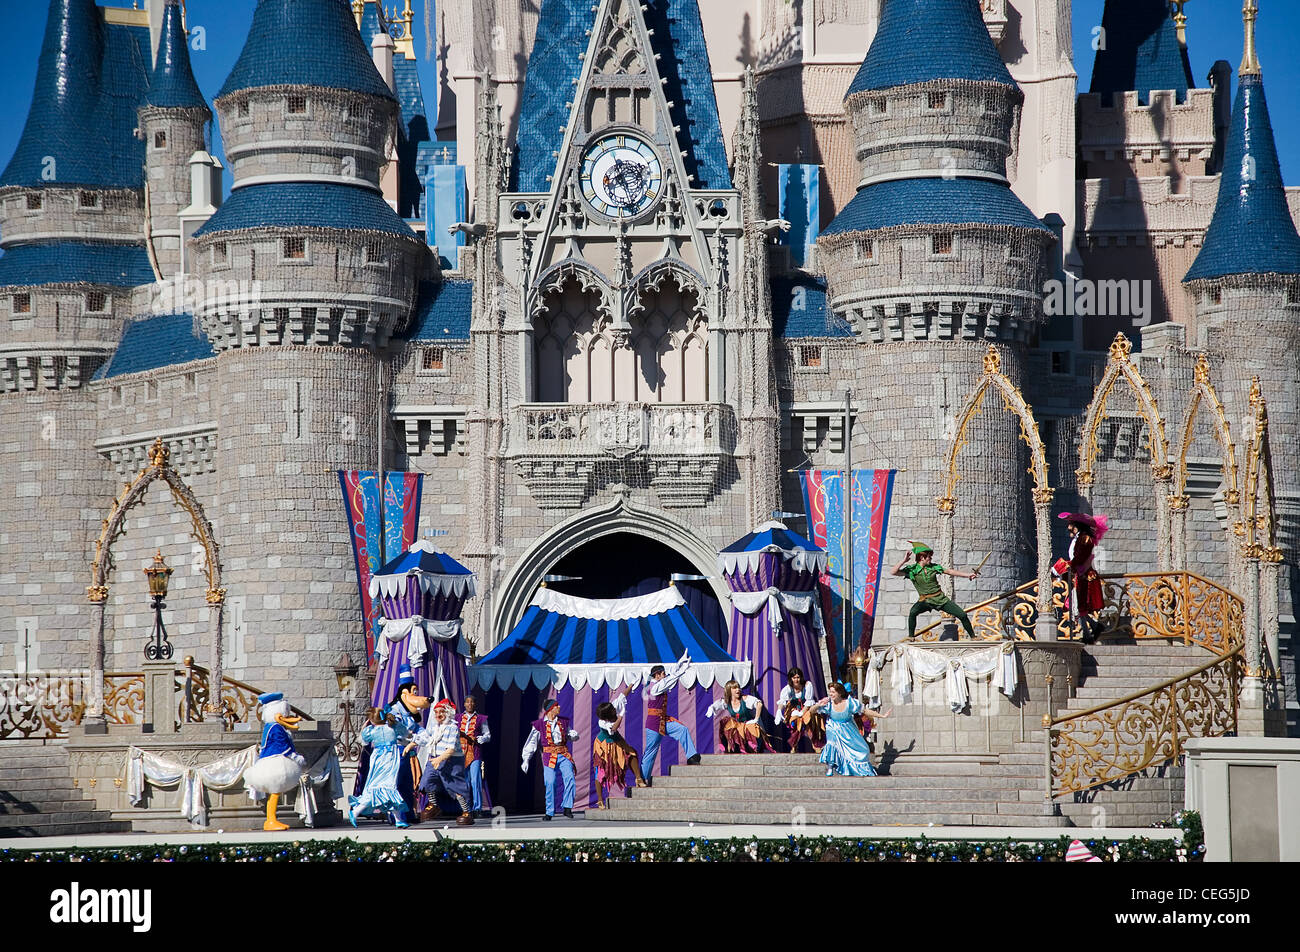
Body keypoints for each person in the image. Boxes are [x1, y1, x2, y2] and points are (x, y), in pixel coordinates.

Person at [619, 652, 701, 782]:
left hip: (663, 720)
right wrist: (681, 671)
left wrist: (679, 663)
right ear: (657, 675)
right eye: (662, 674)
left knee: (682, 729)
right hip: (654, 724)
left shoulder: (655, 683)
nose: (665, 675)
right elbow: (669, 680)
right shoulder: (655, 687)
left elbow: (669, 676)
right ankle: (642, 779)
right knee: (651, 752)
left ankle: (692, 756)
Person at [243, 692, 307, 832]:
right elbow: (281, 746)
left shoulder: (272, 726)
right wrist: (296, 758)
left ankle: (271, 820)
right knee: (275, 791)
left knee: (275, 793)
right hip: (274, 762)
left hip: (270, 761)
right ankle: (270, 820)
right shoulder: (276, 728)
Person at [894, 542, 980, 639]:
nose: (930, 559)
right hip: (925, 600)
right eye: (929, 557)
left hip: (940, 599)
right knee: (913, 612)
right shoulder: (912, 570)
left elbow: (949, 571)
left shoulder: (933, 567)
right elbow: (894, 572)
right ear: (922, 558)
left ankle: (973, 636)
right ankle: (911, 636)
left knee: (962, 614)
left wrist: (968, 575)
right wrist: (903, 561)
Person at [348, 709, 411, 828]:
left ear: (371, 719)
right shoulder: (393, 727)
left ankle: (398, 819)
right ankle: (356, 811)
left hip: (379, 759)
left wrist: (364, 726)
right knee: (387, 786)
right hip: (390, 759)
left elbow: (363, 742)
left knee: (383, 787)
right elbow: (406, 733)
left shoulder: (370, 730)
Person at [416, 698, 475, 826]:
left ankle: (467, 812)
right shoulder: (434, 726)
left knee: (454, 785)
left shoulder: (452, 727)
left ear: (448, 713)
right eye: (436, 712)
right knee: (427, 780)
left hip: (451, 760)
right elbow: (425, 738)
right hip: (435, 757)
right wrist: (411, 742)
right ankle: (434, 805)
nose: (438, 715)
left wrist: (439, 759)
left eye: (441, 712)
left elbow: (451, 749)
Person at [383, 664, 431, 816]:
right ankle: (397, 816)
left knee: (408, 784)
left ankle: (409, 813)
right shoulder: (393, 710)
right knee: (395, 783)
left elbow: (420, 732)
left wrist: (418, 739)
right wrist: (411, 737)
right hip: (395, 751)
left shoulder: (410, 715)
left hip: (408, 753)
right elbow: (395, 730)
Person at [814, 681, 889, 777]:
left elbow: (865, 711)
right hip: (833, 727)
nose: (830, 694)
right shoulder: (828, 704)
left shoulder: (850, 703)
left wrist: (881, 716)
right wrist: (818, 704)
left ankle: (855, 769)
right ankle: (830, 767)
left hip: (847, 730)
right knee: (831, 743)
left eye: (833, 692)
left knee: (864, 750)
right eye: (830, 692)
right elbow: (812, 711)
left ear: (839, 693)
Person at [521, 699, 579, 820]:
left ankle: (567, 807)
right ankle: (549, 811)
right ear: (550, 709)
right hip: (549, 756)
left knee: (570, 779)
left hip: (563, 754)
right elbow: (532, 742)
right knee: (550, 782)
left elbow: (569, 735)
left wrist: (574, 736)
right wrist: (526, 759)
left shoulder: (563, 721)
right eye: (556, 705)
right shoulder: (539, 724)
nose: (559, 707)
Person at [1057, 512, 1109, 643]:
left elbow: (1079, 559)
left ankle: (1089, 633)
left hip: (1084, 576)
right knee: (1077, 606)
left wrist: (1061, 567)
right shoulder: (1079, 538)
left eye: (1070, 524)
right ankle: (1093, 628)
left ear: (1076, 525)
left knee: (1079, 607)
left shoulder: (1085, 539)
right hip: (1079, 576)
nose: (1068, 526)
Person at [592, 699, 648, 809]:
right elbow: (613, 729)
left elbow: (623, 695)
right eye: (612, 709)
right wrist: (621, 716)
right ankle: (599, 799)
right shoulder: (602, 722)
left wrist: (631, 685)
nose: (614, 709)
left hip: (617, 741)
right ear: (608, 714)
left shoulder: (613, 709)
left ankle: (638, 779)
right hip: (604, 746)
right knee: (600, 771)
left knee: (631, 754)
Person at [705, 680, 768, 753]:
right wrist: (711, 708)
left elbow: (759, 704)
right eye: (734, 688)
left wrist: (756, 719)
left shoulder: (745, 699)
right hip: (739, 729)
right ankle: (725, 745)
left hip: (750, 727)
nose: (738, 689)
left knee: (752, 745)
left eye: (738, 687)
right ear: (729, 690)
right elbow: (717, 704)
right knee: (725, 722)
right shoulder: (727, 702)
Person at [458, 695, 492, 818]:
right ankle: (466, 808)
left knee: (475, 780)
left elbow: (487, 735)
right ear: (464, 704)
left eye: (472, 702)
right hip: (461, 753)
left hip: (475, 752)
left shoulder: (481, 718)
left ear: (475, 704)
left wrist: (479, 738)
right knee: (464, 782)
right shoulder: (458, 718)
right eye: (468, 702)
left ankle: (477, 808)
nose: (470, 704)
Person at [778, 666, 824, 752]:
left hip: (807, 708)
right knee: (794, 722)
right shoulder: (788, 688)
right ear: (791, 678)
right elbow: (782, 701)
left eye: (798, 677)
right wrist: (779, 710)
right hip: (795, 709)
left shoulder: (807, 685)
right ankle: (794, 745)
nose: (796, 680)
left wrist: (802, 713)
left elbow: (809, 702)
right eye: (794, 678)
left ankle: (815, 745)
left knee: (808, 721)